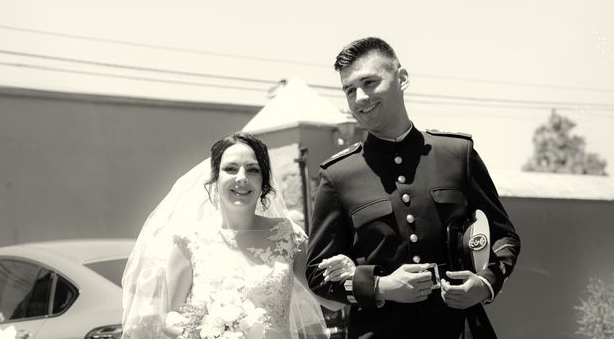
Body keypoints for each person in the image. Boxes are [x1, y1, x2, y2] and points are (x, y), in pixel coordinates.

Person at [306, 37, 521, 339]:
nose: (359, 98)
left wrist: (485, 283)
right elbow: (317, 274)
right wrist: (381, 287)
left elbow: (504, 236)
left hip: (458, 329)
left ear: (402, 78)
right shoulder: (338, 175)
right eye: (349, 90)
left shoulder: (457, 154)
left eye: (369, 82)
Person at [122, 131, 340, 339]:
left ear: (264, 182)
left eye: (253, 170)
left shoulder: (287, 235)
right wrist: (206, 327)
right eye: (231, 169)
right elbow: (169, 316)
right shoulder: (188, 240)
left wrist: (347, 270)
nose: (242, 178)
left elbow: (332, 302)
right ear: (215, 178)